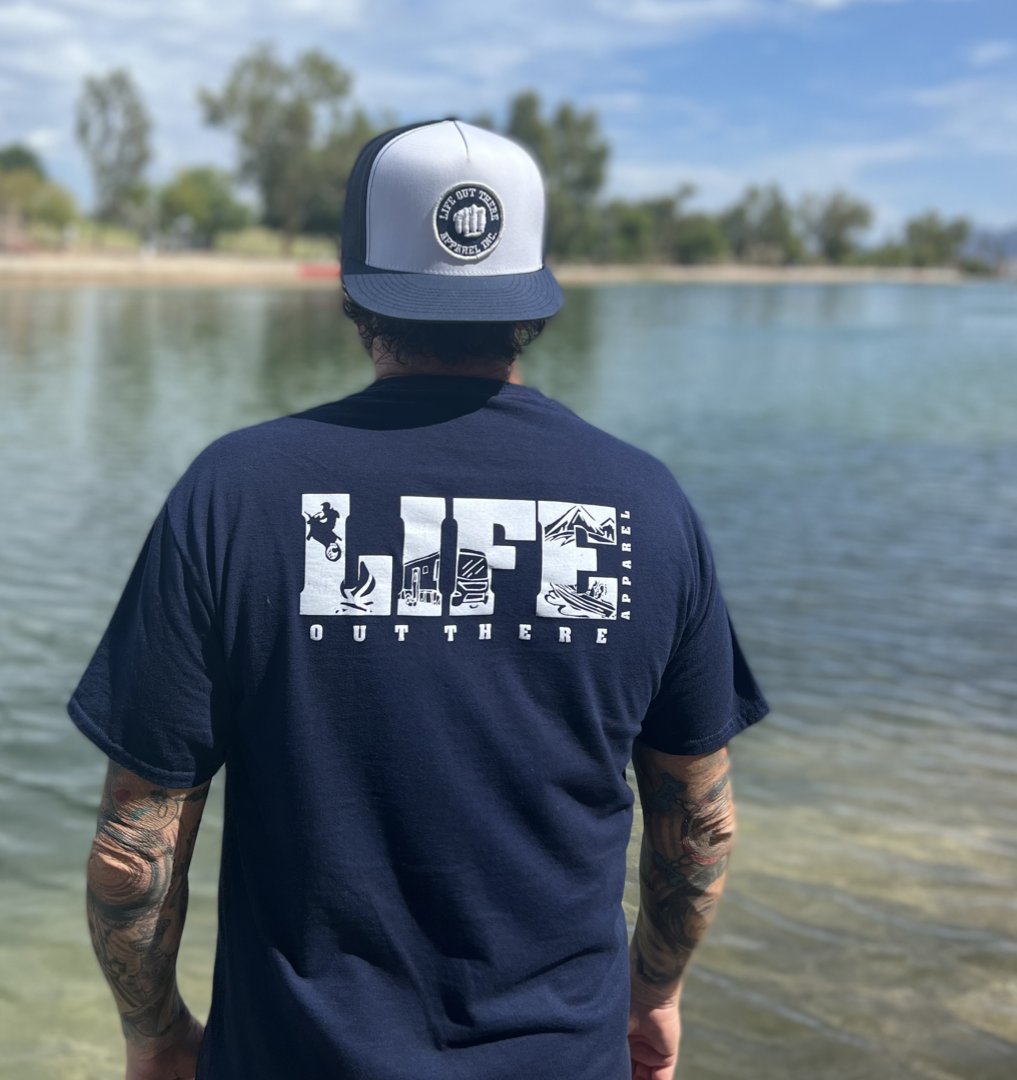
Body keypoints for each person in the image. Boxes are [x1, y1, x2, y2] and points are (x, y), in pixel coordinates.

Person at [70, 120, 768, 1080]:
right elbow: (700, 828)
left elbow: (132, 845)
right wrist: (654, 994)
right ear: (532, 300)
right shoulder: (646, 504)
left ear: (358, 291)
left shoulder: (236, 494)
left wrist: (154, 1031)